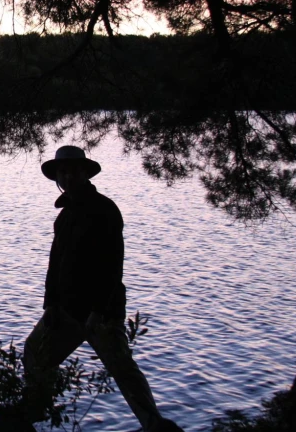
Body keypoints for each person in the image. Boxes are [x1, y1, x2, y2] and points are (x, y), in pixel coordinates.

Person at [18, 145, 183, 432]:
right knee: (35, 352)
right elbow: (55, 265)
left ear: (84, 173)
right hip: (66, 310)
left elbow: (112, 267)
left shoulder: (104, 210)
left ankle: (154, 425)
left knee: (122, 370)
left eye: (73, 171)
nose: (67, 177)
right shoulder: (64, 216)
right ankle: (35, 410)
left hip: (101, 314)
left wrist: (98, 310)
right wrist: (50, 305)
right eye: (63, 172)